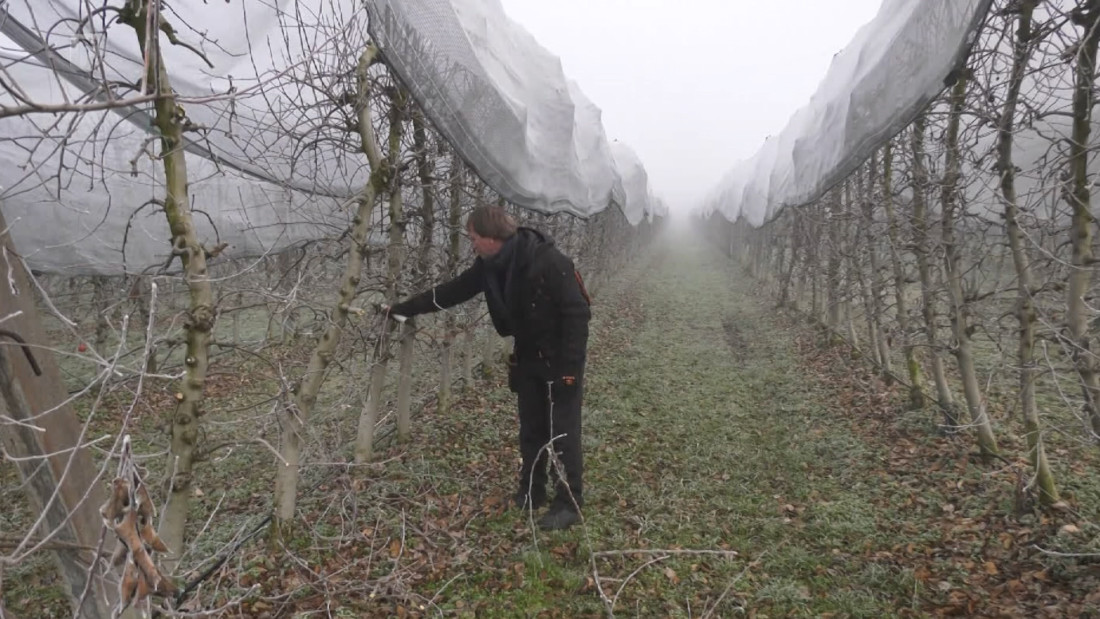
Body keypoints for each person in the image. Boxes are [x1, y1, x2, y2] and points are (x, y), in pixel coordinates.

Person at [385, 205, 591, 531]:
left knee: (563, 432)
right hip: (527, 357)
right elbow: (453, 291)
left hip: (559, 360)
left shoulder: (550, 262)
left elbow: (578, 314)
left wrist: (569, 370)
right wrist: (404, 309)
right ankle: (532, 491)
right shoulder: (489, 267)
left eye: (474, 237)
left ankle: (569, 502)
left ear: (493, 237)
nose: (472, 244)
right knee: (531, 430)